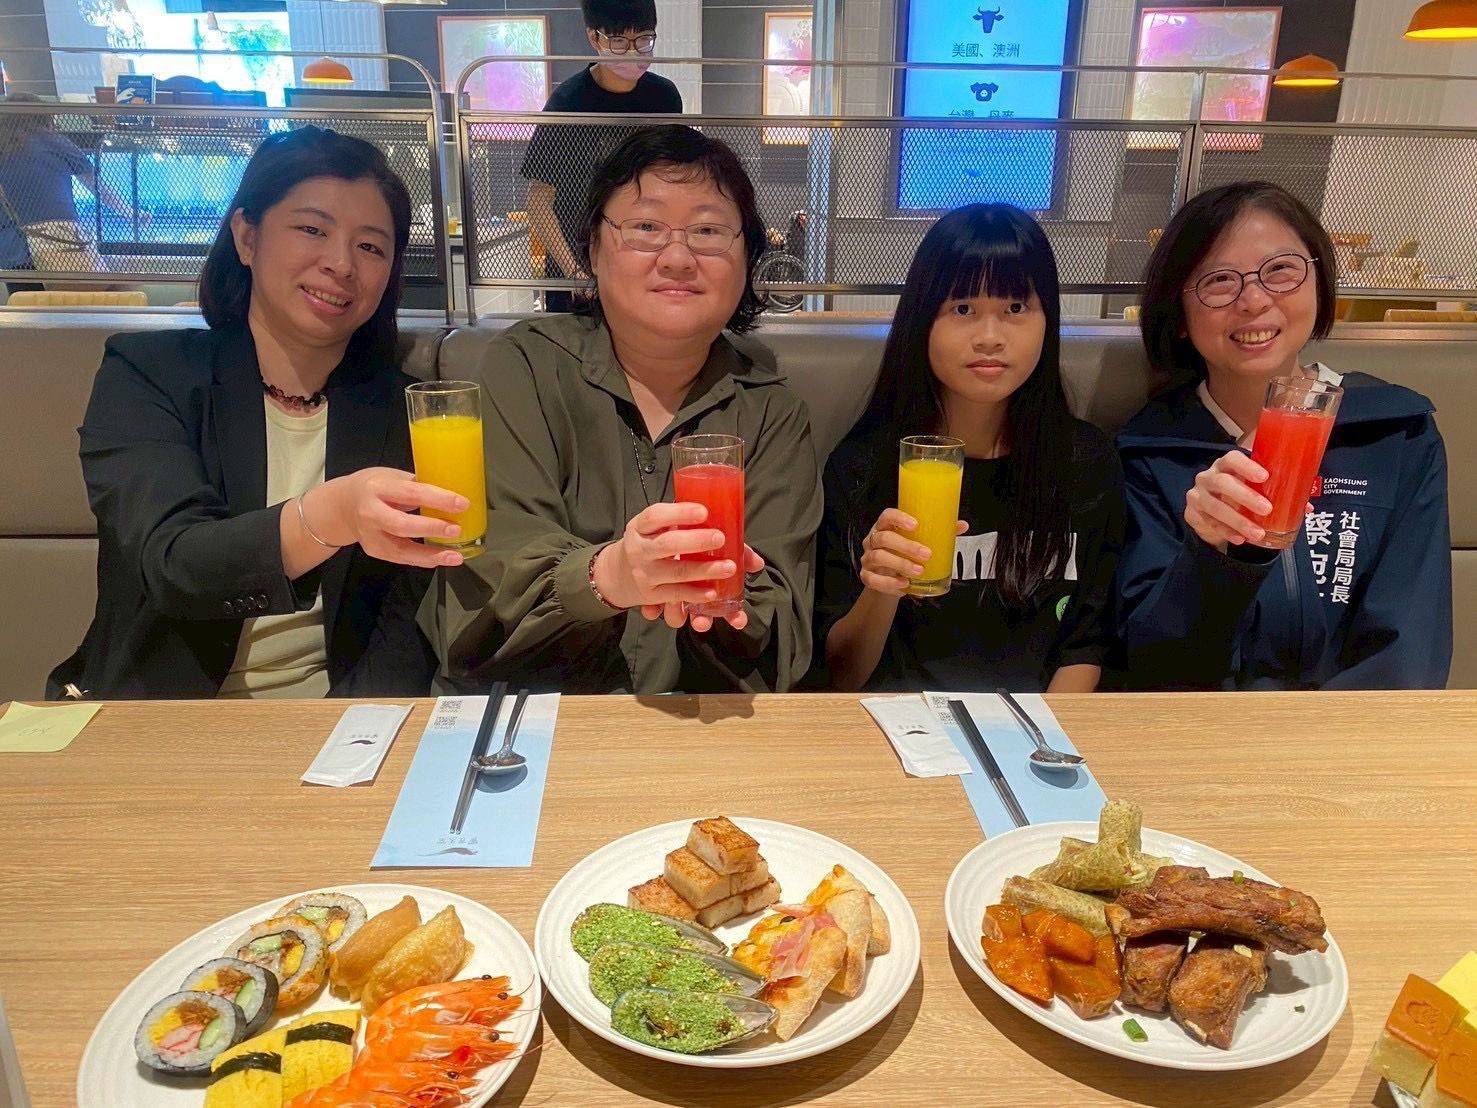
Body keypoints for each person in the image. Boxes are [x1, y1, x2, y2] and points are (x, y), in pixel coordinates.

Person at [48, 126, 466, 700]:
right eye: (312, 229)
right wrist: (330, 515)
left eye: (371, 247)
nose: (341, 264)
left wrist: (354, 728)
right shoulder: (148, 374)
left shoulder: (402, 408)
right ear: (247, 237)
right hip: (161, 715)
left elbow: (403, 624)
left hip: (337, 716)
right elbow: (173, 564)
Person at [427, 125, 820, 693]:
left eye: (709, 231)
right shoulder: (528, 367)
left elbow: (783, 619)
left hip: (699, 723)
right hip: (530, 714)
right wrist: (606, 576)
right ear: (592, 248)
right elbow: (493, 562)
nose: (678, 257)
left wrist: (721, 601)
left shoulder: (771, 409)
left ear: (748, 258)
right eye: (646, 228)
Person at [1116, 181, 1452, 690]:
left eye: (1280, 271)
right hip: (1204, 728)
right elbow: (1153, 670)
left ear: (1319, 284)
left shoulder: (1396, 432)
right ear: (1179, 315)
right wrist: (1210, 556)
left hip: (1355, 733)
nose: (1254, 300)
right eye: (1219, 281)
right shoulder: (1150, 451)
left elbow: (1409, 655)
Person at [814, 204, 1124, 693]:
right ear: (922, 322)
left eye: (1016, 308)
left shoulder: (1084, 462)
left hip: (1037, 728)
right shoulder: (862, 467)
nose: (990, 338)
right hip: (898, 725)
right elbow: (841, 673)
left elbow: (1085, 647)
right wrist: (881, 589)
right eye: (962, 309)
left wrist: (1046, 736)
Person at [520, 0, 682, 311]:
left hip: (641, 262)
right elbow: (538, 204)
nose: (633, 53)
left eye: (644, 39)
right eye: (619, 41)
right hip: (577, 271)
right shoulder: (567, 103)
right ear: (594, 37)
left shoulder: (664, 97)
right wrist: (575, 275)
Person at [0, 92, 143, 280]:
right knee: (76, 296)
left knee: (23, 297)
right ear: (43, 115)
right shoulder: (53, 141)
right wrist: (129, 213)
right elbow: (96, 185)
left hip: (11, 248)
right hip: (57, 243)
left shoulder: (3, 147)